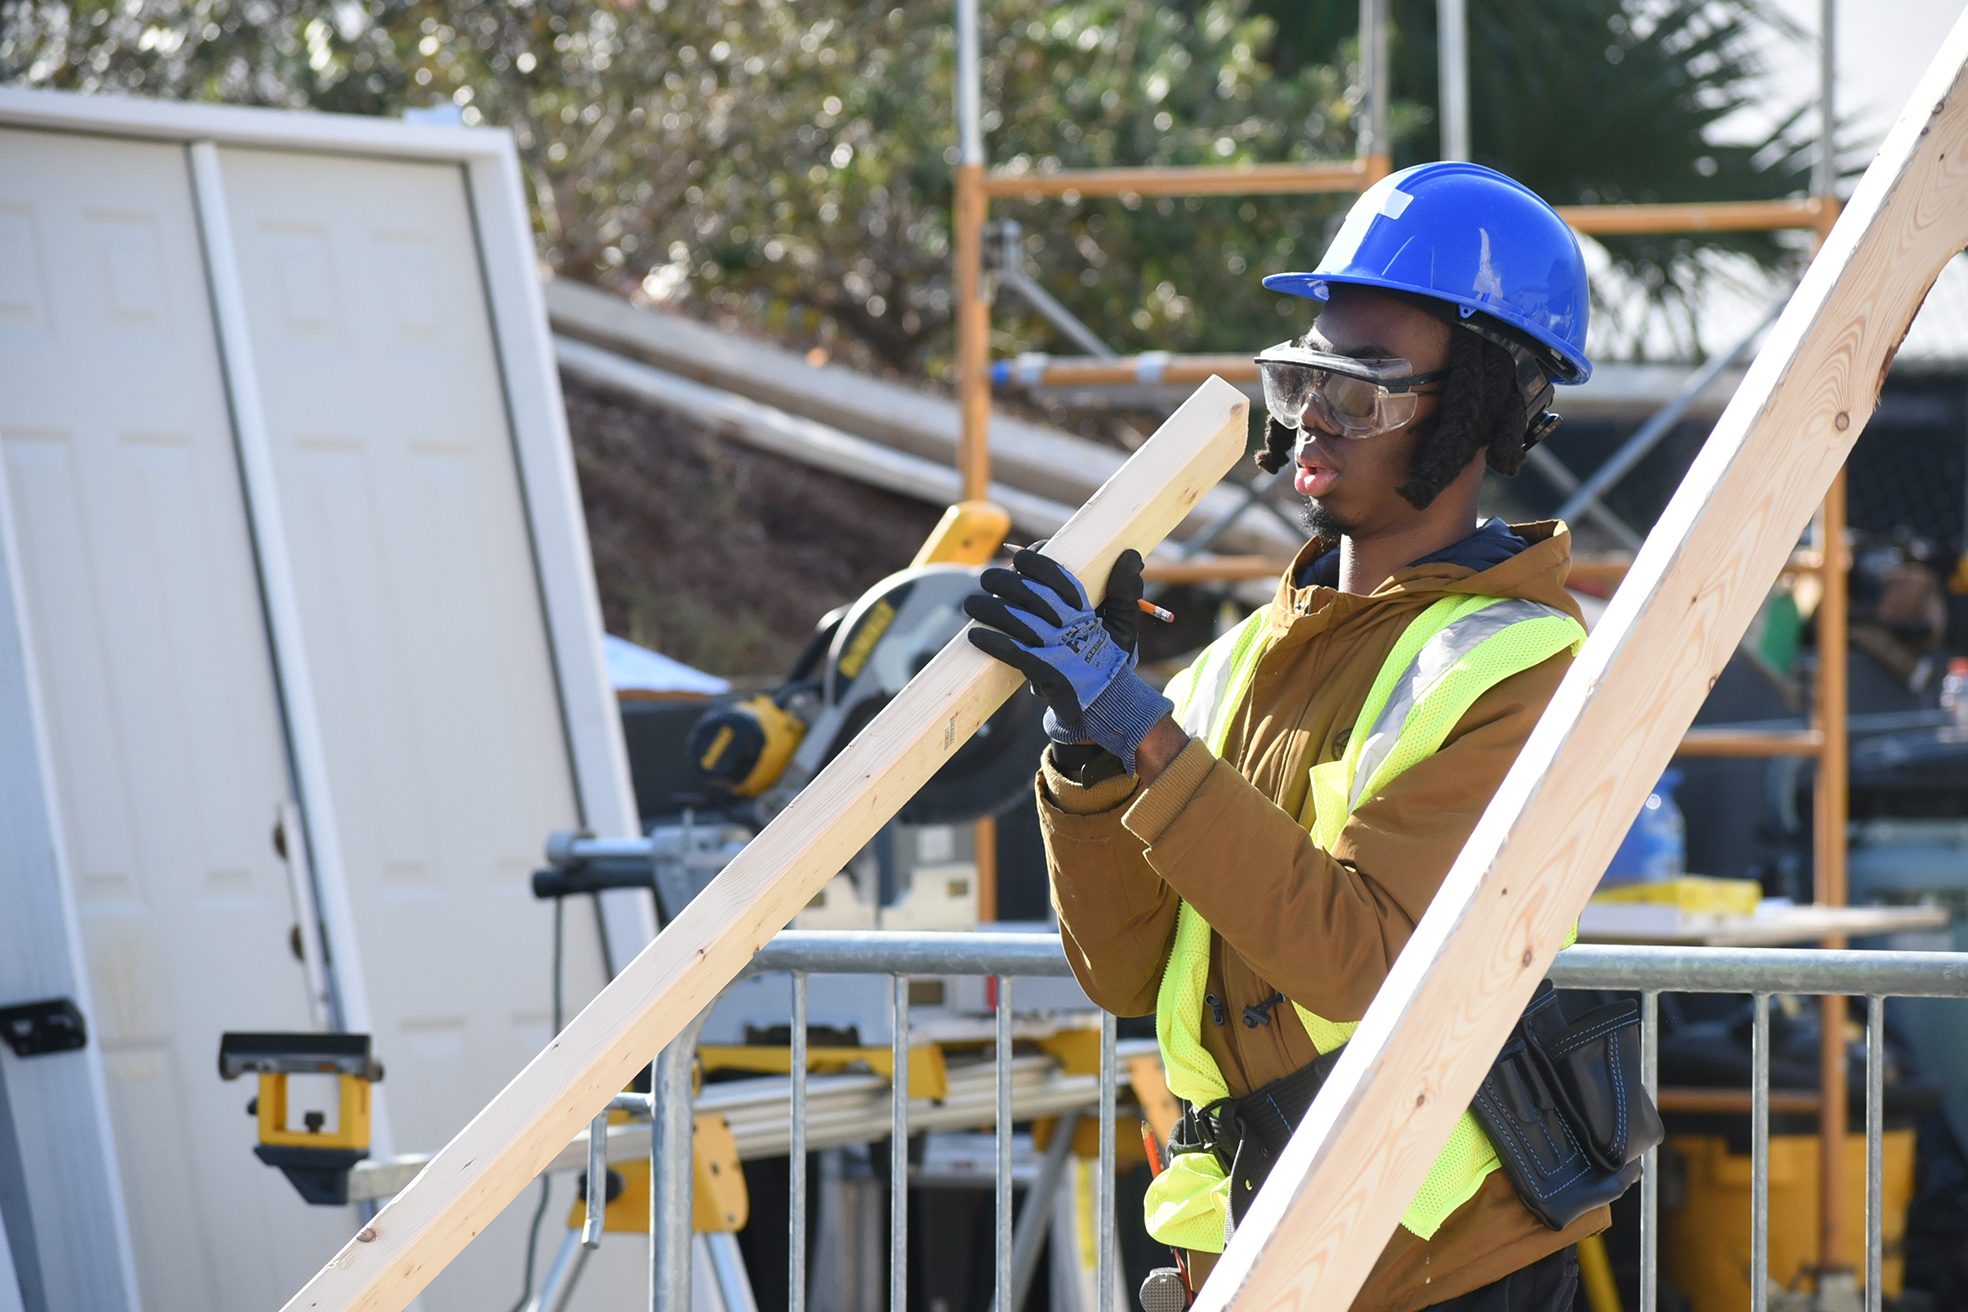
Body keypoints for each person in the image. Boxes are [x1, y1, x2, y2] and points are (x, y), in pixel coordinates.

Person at [964, 162, 1611, 1312]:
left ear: (1479, 406)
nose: (1313, 413)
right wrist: (1085, 747)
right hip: (1262, 1246)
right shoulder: (1237, 665)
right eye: (1303, 375)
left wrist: (1140, 730)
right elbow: (1122, 971)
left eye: (1361, 389)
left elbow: (1356, 961)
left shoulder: (1522, 667)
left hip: (1436, 1263)